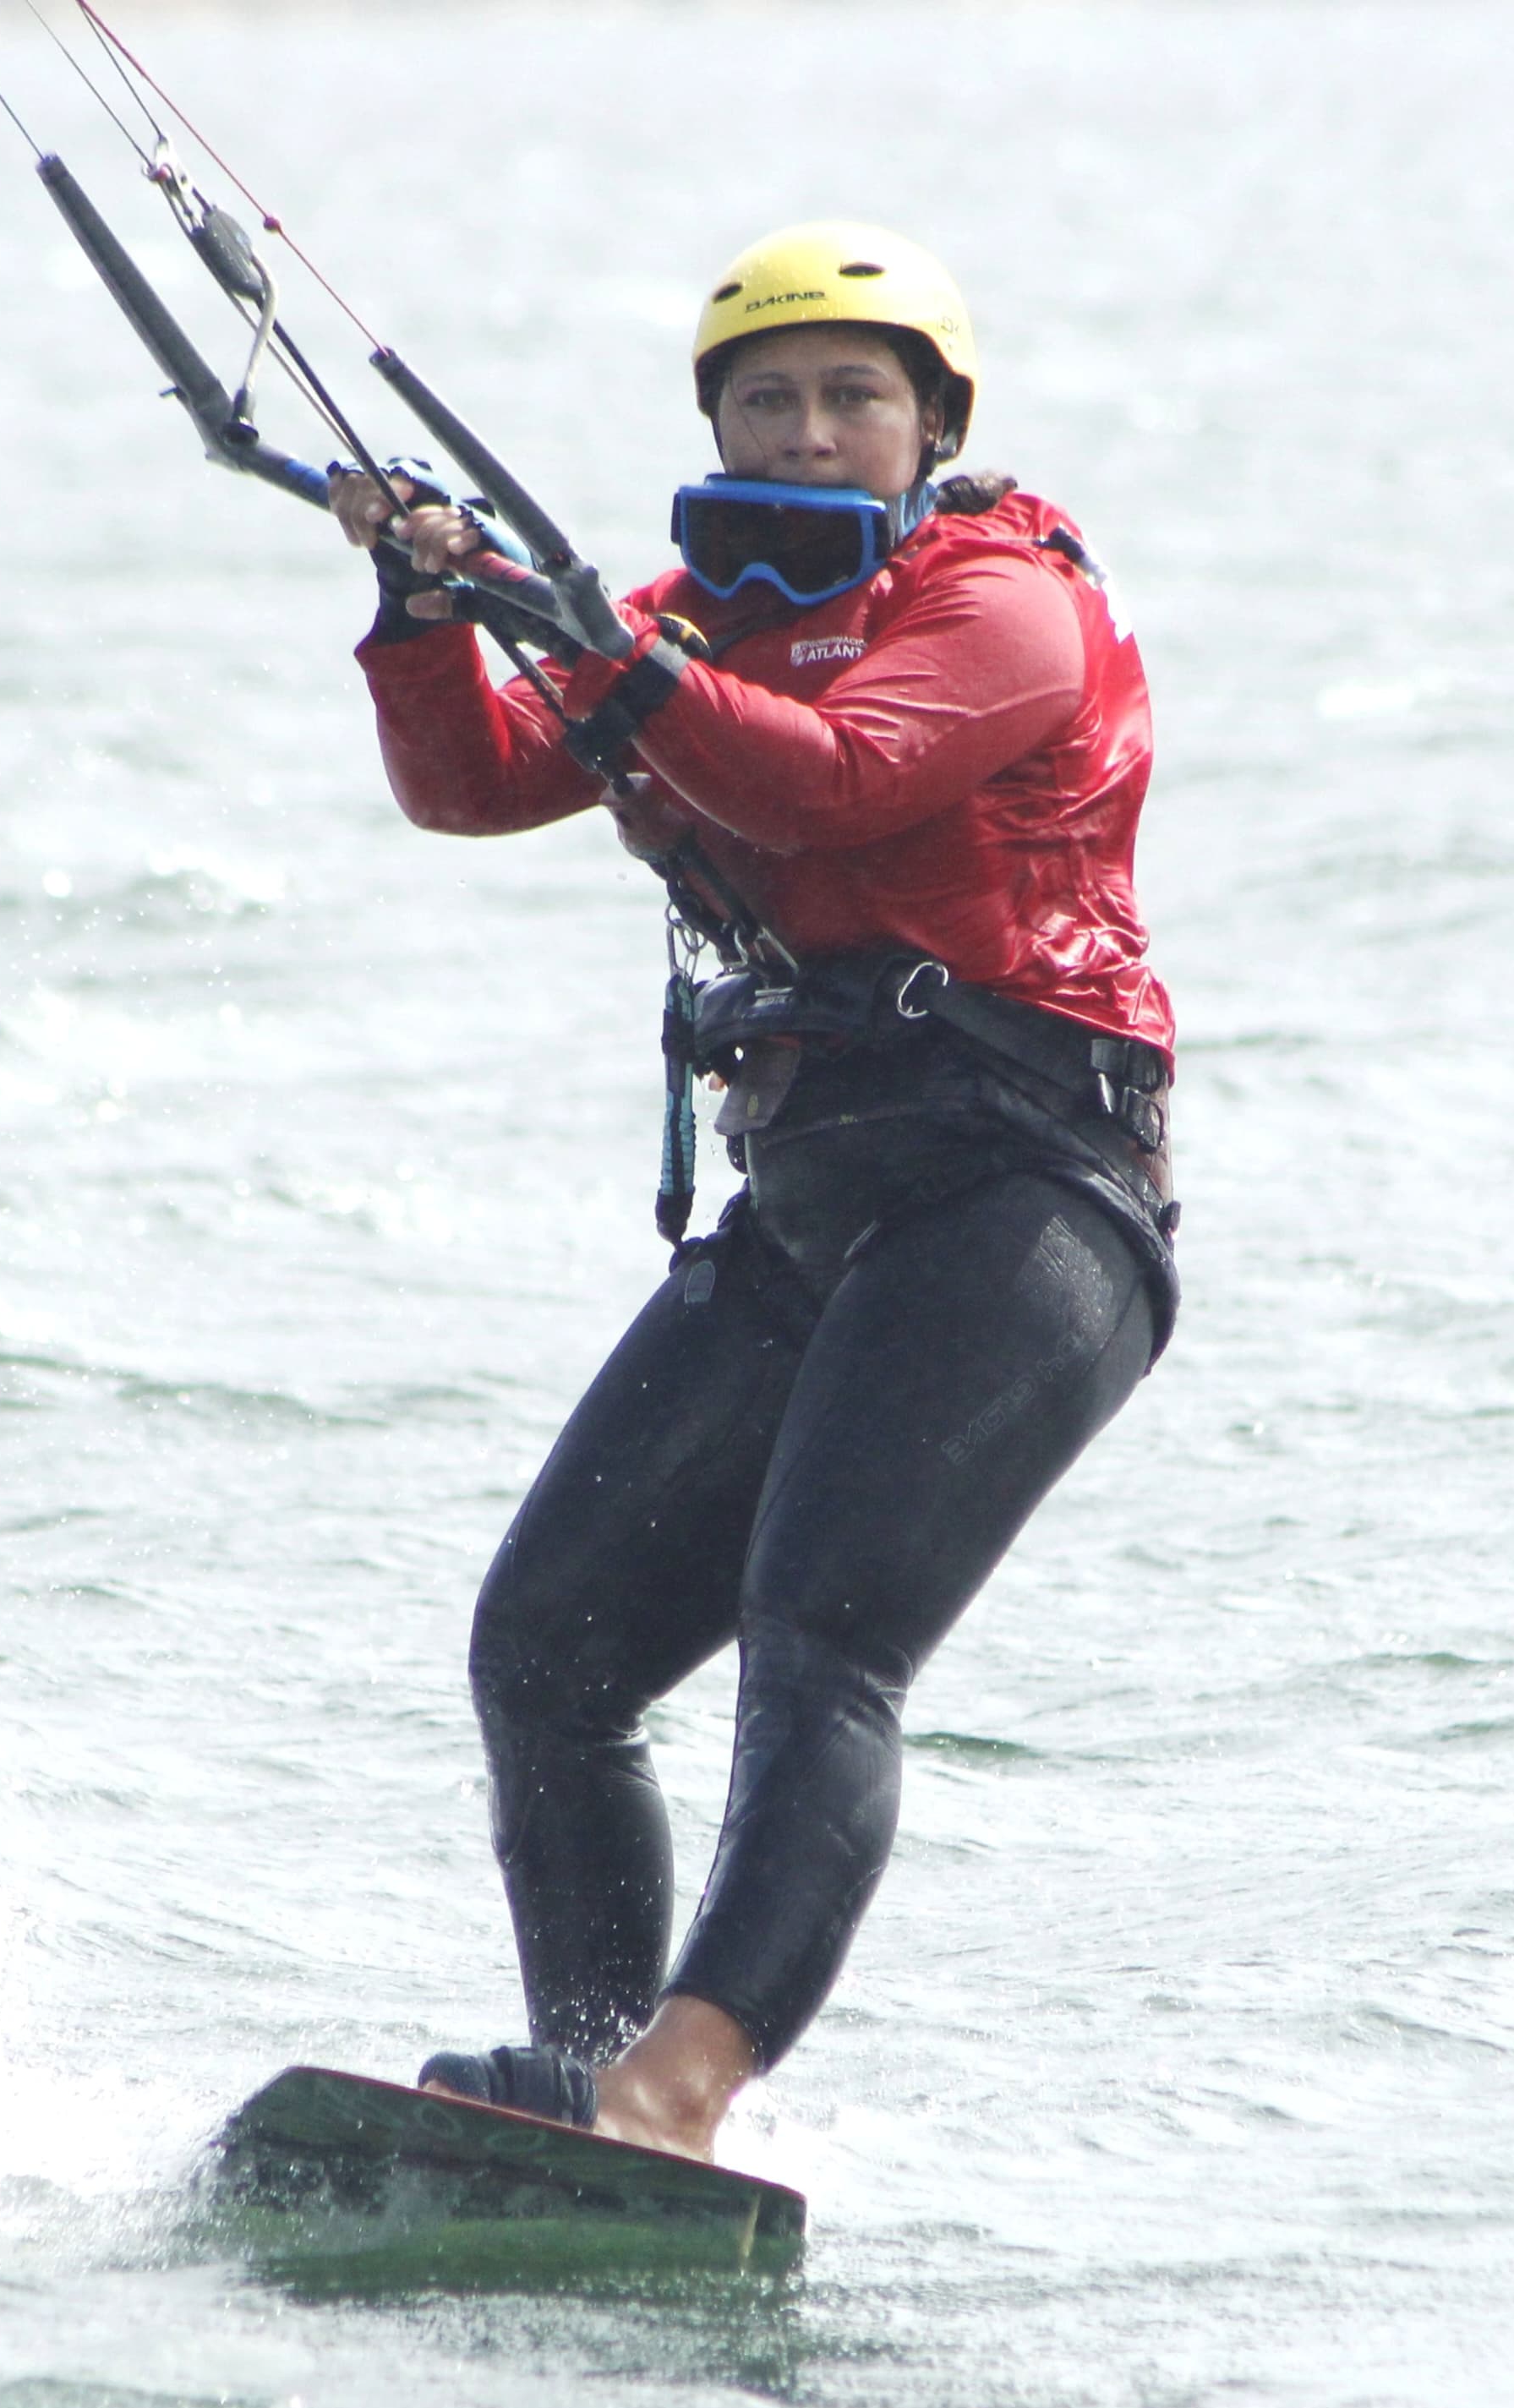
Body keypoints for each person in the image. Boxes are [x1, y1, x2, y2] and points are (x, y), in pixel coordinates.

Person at [328, 222, 1175, 2162]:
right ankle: (594, 2082)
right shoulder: (690, 617)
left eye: (853, 398)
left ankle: (682, 2093)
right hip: (809, 1197)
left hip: (1026, 1191)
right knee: (544, 1648)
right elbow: (470, 783)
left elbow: (836, 781)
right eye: (764, 400)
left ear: (932, 424)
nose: (806, 432)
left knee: (822, 1636)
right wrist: (423, 602)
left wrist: (609, 654)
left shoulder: (1006, 600)